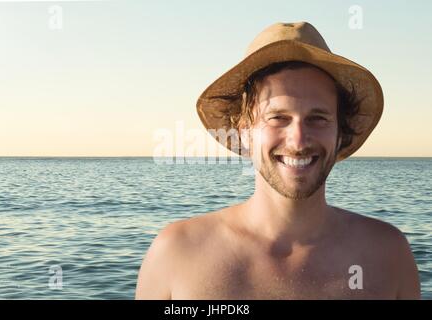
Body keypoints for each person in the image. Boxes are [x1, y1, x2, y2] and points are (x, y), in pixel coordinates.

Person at [135, 22, 420, 299]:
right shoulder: (177, 254)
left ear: (340, 131)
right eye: (278, 118)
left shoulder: (387, 255)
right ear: (244, 131)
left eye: (317, 118)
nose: (298, 141)